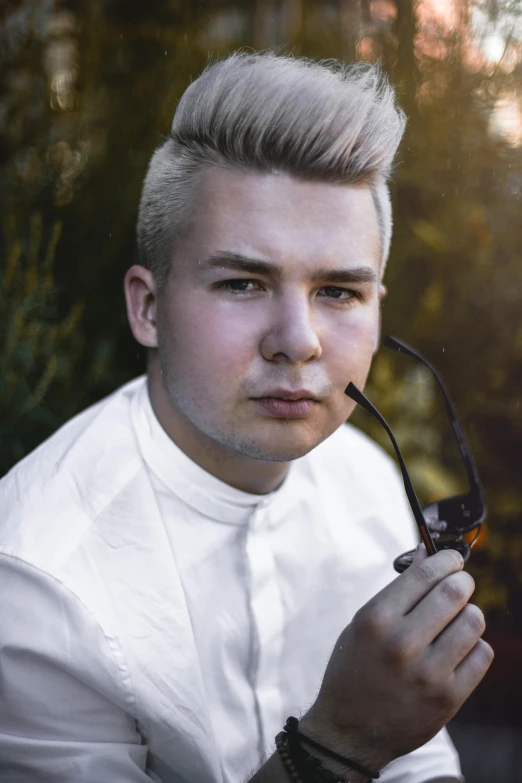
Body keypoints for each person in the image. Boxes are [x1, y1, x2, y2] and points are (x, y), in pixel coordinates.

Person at [0, 52, 493, 783]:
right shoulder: (34, 581)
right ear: (148, 306)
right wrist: (338, 745)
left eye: (337, 292)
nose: (298, 340)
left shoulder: (365, 472)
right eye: (242, 281)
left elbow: (422, 764)